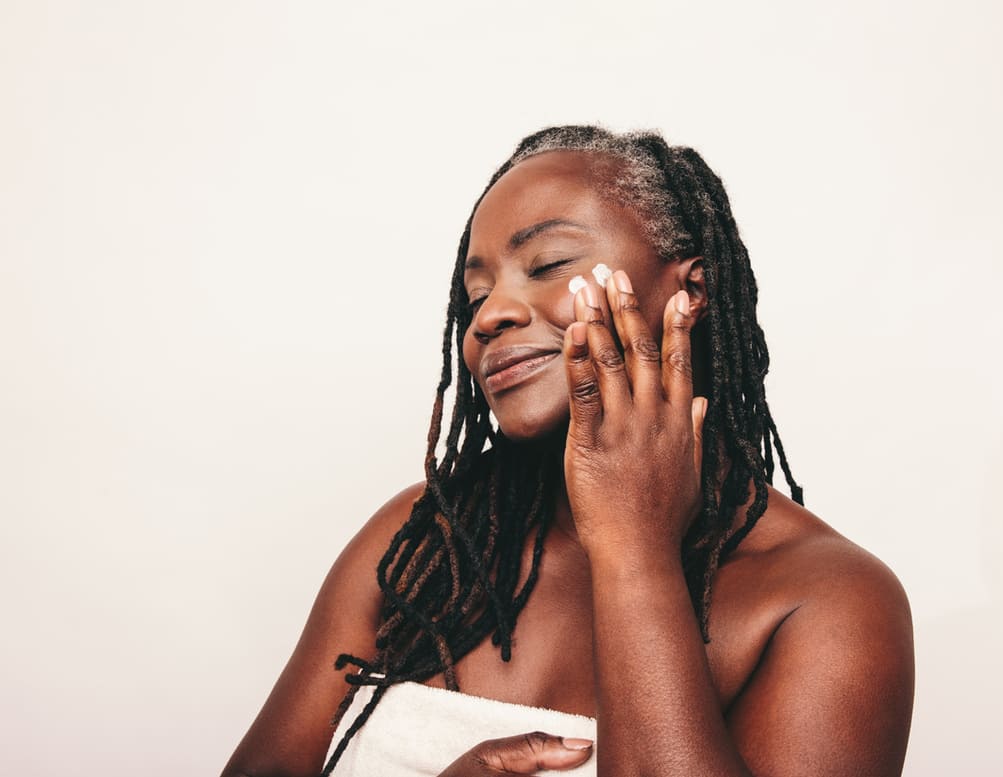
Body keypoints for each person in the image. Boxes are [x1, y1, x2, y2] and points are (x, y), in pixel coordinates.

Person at [221, 126, 915, 777]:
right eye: (476, 294)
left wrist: (634, 546)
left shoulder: (826, 601)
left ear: (692, 290)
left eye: (548, 262)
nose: (489, 316)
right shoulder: (424, 541)